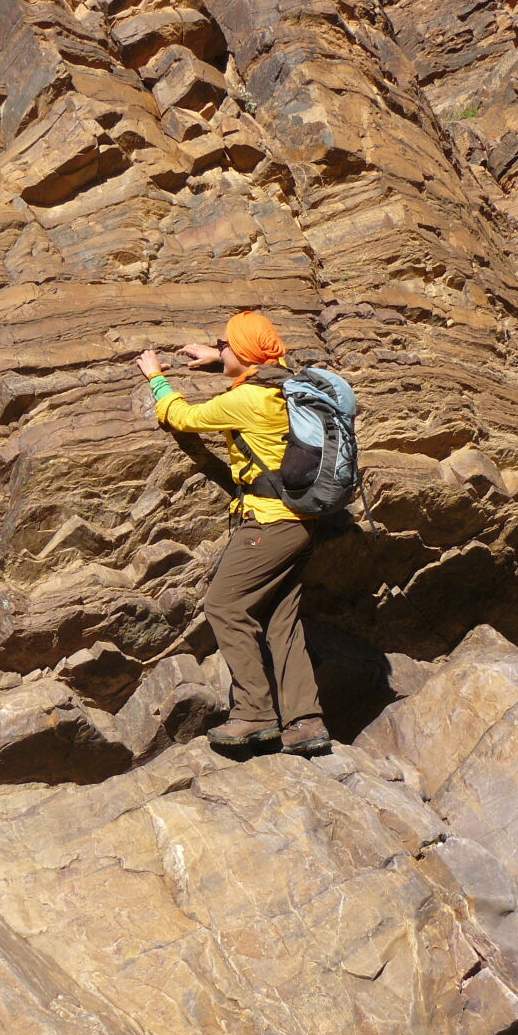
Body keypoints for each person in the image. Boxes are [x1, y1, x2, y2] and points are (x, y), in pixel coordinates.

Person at [135, 310, 331, 756]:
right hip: (303, 522)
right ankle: (305, 722)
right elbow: (253, 368)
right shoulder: (287, 385)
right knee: (282, 620)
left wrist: (156, 379)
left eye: (225, 344)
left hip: (267, 524)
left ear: (243, 354)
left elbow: (181, 417)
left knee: (224, 606)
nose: (219, 348)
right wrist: (221, 359)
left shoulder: (246, 402)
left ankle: (255, 713)